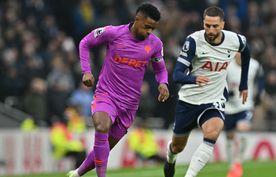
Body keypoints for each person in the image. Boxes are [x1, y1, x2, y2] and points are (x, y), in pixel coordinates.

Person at [67, 3, 169, 177]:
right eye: (147, 27)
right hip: (106, 94)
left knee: (105, 146)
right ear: (137, 20)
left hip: (129, 104)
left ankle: (77, 173)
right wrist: (86, 71)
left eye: (153, 28)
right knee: (101, 126)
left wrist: (163, 83)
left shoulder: (155, 44)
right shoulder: (113, 32)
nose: (149, 32)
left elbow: (160, 69)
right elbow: (85, 42)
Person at [163, 6, 250, 177]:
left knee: (212, 132)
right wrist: (193, 79)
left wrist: (243, 83)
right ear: (203, 23)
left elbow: (246, 52)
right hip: (189, 101)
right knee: (177, 147)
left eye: (215, 26)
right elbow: (177, 75)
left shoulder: (236, 40)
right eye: (207, 25)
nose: (210, 30)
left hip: (214, 99)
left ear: (222, 24)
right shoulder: (193, 41)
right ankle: (170, 157)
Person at [225, 53, 264, 177]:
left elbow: (261, 79)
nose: (240, 56)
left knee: (243, 129)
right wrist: (225, 93)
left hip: (245, 105)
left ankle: (238, 162)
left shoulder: (254, 65)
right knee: (229, 136)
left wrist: (259, 95)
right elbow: (220, 81)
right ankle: (231, 165)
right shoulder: (227, 64)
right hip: (229, 107)